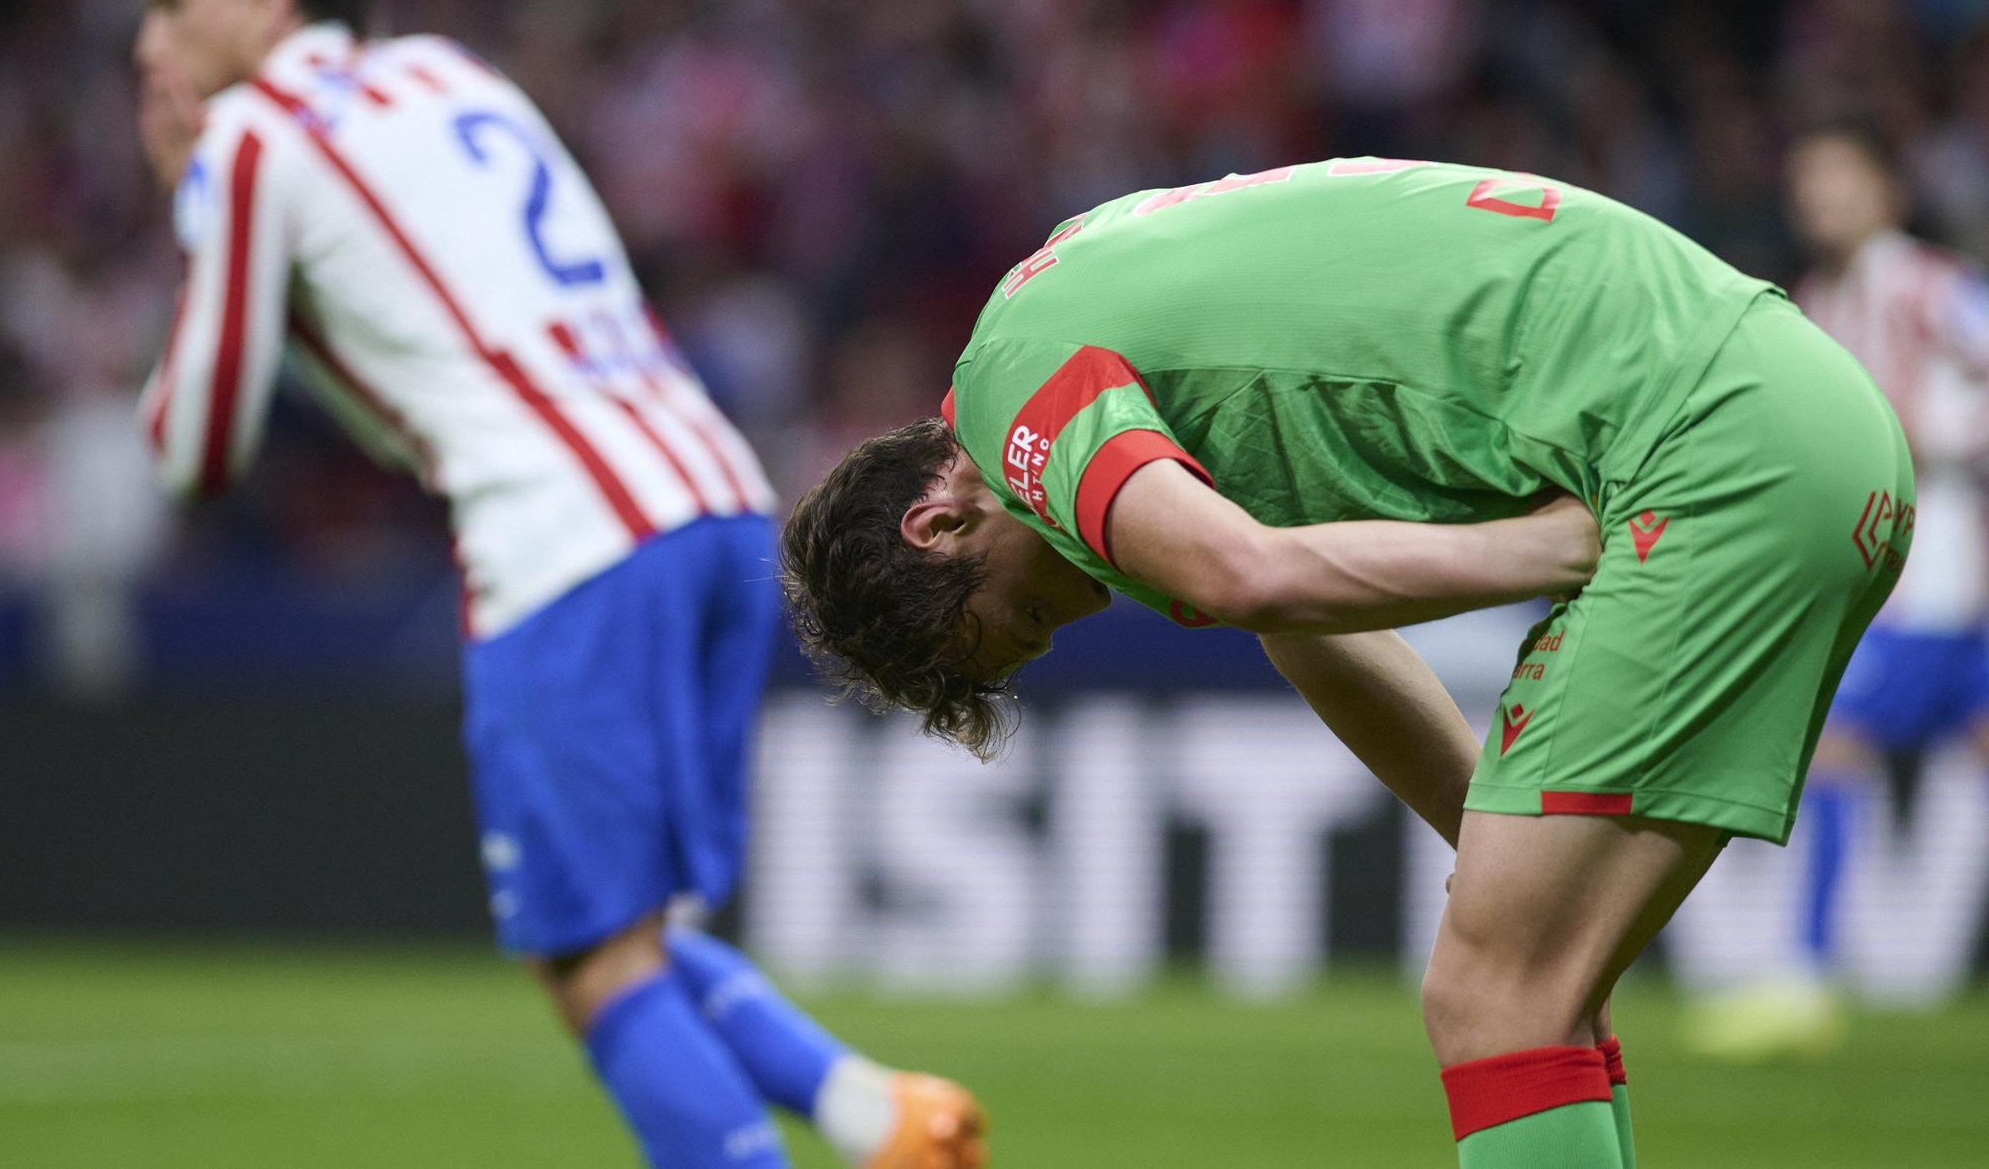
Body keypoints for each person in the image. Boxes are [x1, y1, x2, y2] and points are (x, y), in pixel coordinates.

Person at [782, 156, 1912, 1168]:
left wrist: (1556, 544)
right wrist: (1487, 844)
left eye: (1021, 619)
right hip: (1801, 415)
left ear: (938, 522)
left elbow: (1247, 578)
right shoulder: (1077, 285)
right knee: (1530, 988)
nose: (1064, 620)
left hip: (1704, 458)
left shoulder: (1014, 392)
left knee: (1497, 995)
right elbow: (1303, 632)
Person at [130, 0, 984, 1169]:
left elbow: (195, 448)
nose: (152, 42)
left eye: (175, 4)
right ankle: (884, 1115)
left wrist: (192, 206)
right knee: (637, 927)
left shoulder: (250, 141)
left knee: (588, 954)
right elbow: (425, 366)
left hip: (565, 534)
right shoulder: (456, 79)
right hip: (705, 495)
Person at [1685, 121, 1989, 1057]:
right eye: (1808, 179)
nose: (1821, 197)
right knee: (1844, 752)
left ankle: (1808, 975)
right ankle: (1806, 973)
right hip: (1902, 582)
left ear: (1886, 190)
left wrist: (1928, 431)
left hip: (1936, 577)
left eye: (1840, 177)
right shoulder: (1815, 301)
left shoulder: (1929, 287)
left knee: (1837, 751)